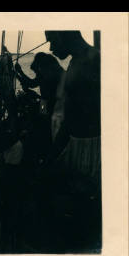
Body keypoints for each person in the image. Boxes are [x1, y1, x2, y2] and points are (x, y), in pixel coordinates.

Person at [44, 31, 101, 191]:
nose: (51, 48)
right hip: (77, 144)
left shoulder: (93, 61)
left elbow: (71, 118)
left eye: (51, 40)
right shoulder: (77, 62)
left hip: (91, 151)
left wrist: (52, 155)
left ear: (63, 34)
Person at [14, 52, 64, 163]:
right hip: (44, 102)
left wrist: (19, 74)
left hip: (51, 104)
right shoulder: (46, 72)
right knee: (42, 121)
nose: (37, 73)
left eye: (37, 71)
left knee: (44, 123)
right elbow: (32, 83)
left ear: (42, 67)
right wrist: (19, 73)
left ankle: (45, 151)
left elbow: (32, 84)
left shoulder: (54, 74)